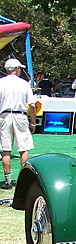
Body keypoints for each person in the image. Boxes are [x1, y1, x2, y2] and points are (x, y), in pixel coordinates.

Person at [0, 58, 37, 190]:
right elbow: (32, 105)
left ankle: (7, 181)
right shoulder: (24, 84)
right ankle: (24, 182)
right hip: (19, 115)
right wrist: (33, 122)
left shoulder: (1, 82)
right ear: (16, 69)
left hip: (4, 115)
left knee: (6, 149)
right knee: (23, 148)